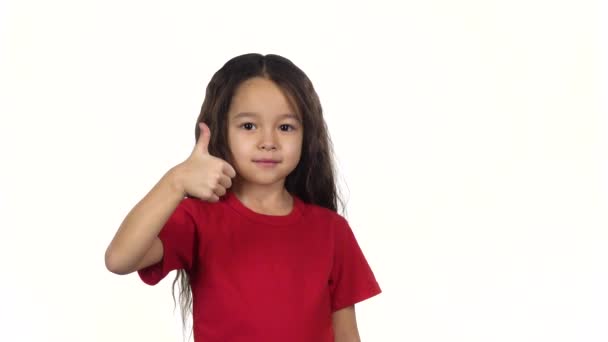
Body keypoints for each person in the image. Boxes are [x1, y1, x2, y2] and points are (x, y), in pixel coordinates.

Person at [104, 53, 381, 341]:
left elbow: (347, 334)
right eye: (249, 126)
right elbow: (119, 259)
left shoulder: (331, 230)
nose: (268, 142)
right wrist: (176, 181)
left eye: (285, 127)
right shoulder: (199, 217)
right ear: (221, 130)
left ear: (306, 136)